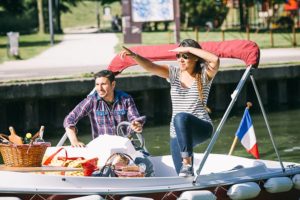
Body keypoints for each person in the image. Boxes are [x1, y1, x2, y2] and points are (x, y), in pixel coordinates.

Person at [120, 39, 219, 177]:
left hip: (200, 127)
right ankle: (187, 171)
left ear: (196, 57)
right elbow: (151, 66)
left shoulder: (204, 74)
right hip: (176, 133)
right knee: (182, 176)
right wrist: (135, 56)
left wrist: (189, 49)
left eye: (185, 56)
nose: (180, 59)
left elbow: (214, 59)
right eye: (178, 56)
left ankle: (187, 162)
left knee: (181, 117)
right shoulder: (173, 73)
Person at [63, 70, 145, 147]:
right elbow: (69, 119)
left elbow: (135, 118)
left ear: (113, 85)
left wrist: (137, 125)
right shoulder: (92, 100)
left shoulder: (126, 99)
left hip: (125, 146)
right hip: (102, 148)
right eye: (97, 84)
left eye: (103, 84)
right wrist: (74, 141)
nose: (100, 88)